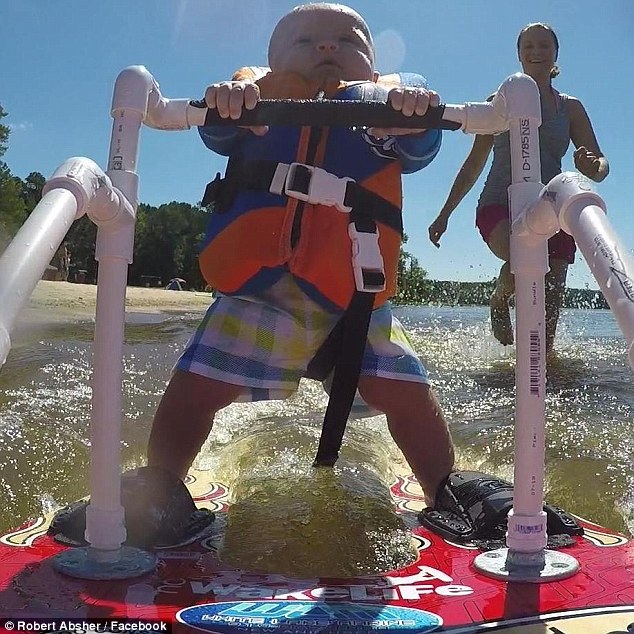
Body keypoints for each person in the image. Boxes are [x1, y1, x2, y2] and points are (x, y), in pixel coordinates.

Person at [146, 2, 455, 507]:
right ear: (272, 64)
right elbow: (215, 131)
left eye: (347, 40)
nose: (327, 47)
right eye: (306, 41)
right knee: (193, 391)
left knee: (409, 397)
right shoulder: (254, 102)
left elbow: (421, 148)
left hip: (357, 291)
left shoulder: (389, 110)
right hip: (258, 292)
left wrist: (416, 116)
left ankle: (447, 492)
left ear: (373, 70)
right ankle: (159, 485)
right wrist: (227, 103)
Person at [428, 23, 609, 353]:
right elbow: (473, 165)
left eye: (543, 45)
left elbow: (600, 164)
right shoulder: (499, 102)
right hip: (498, 204)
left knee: (549, 308)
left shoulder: (570, 108)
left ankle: (545, 371)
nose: (536, 51)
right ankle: (500, 298)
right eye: (528, 46)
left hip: (551, 209)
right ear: (519, 54)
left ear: (555, 54)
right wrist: (444, 214)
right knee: (523, 259)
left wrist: (591, 166)